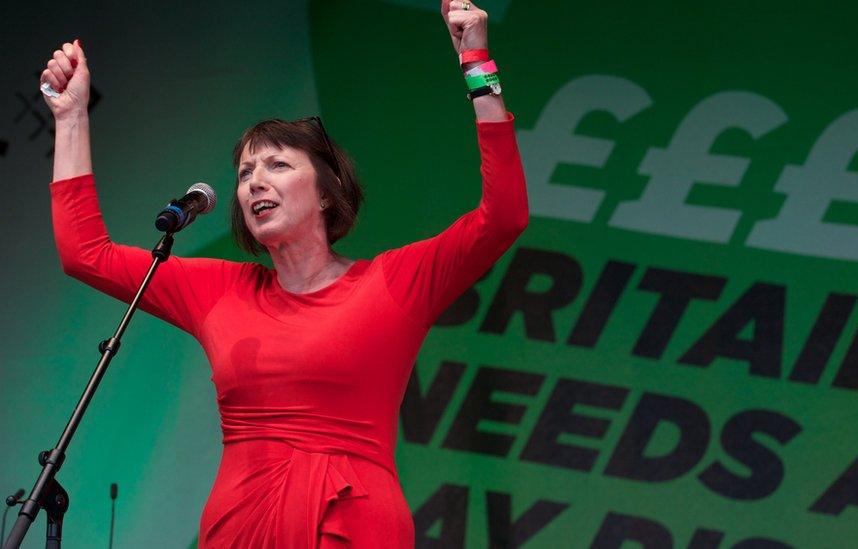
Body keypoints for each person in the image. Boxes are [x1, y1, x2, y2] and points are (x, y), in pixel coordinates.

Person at [39, 1, 527, 546]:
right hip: (239, 524)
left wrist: (477, 64)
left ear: (325, 194)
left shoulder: (393, 283)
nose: (254, 182)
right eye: (246, 172)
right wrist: (71, 117)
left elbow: (503, 216)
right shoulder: (219, 290)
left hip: (349, 522)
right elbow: (84, 252)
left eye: (277, 165)